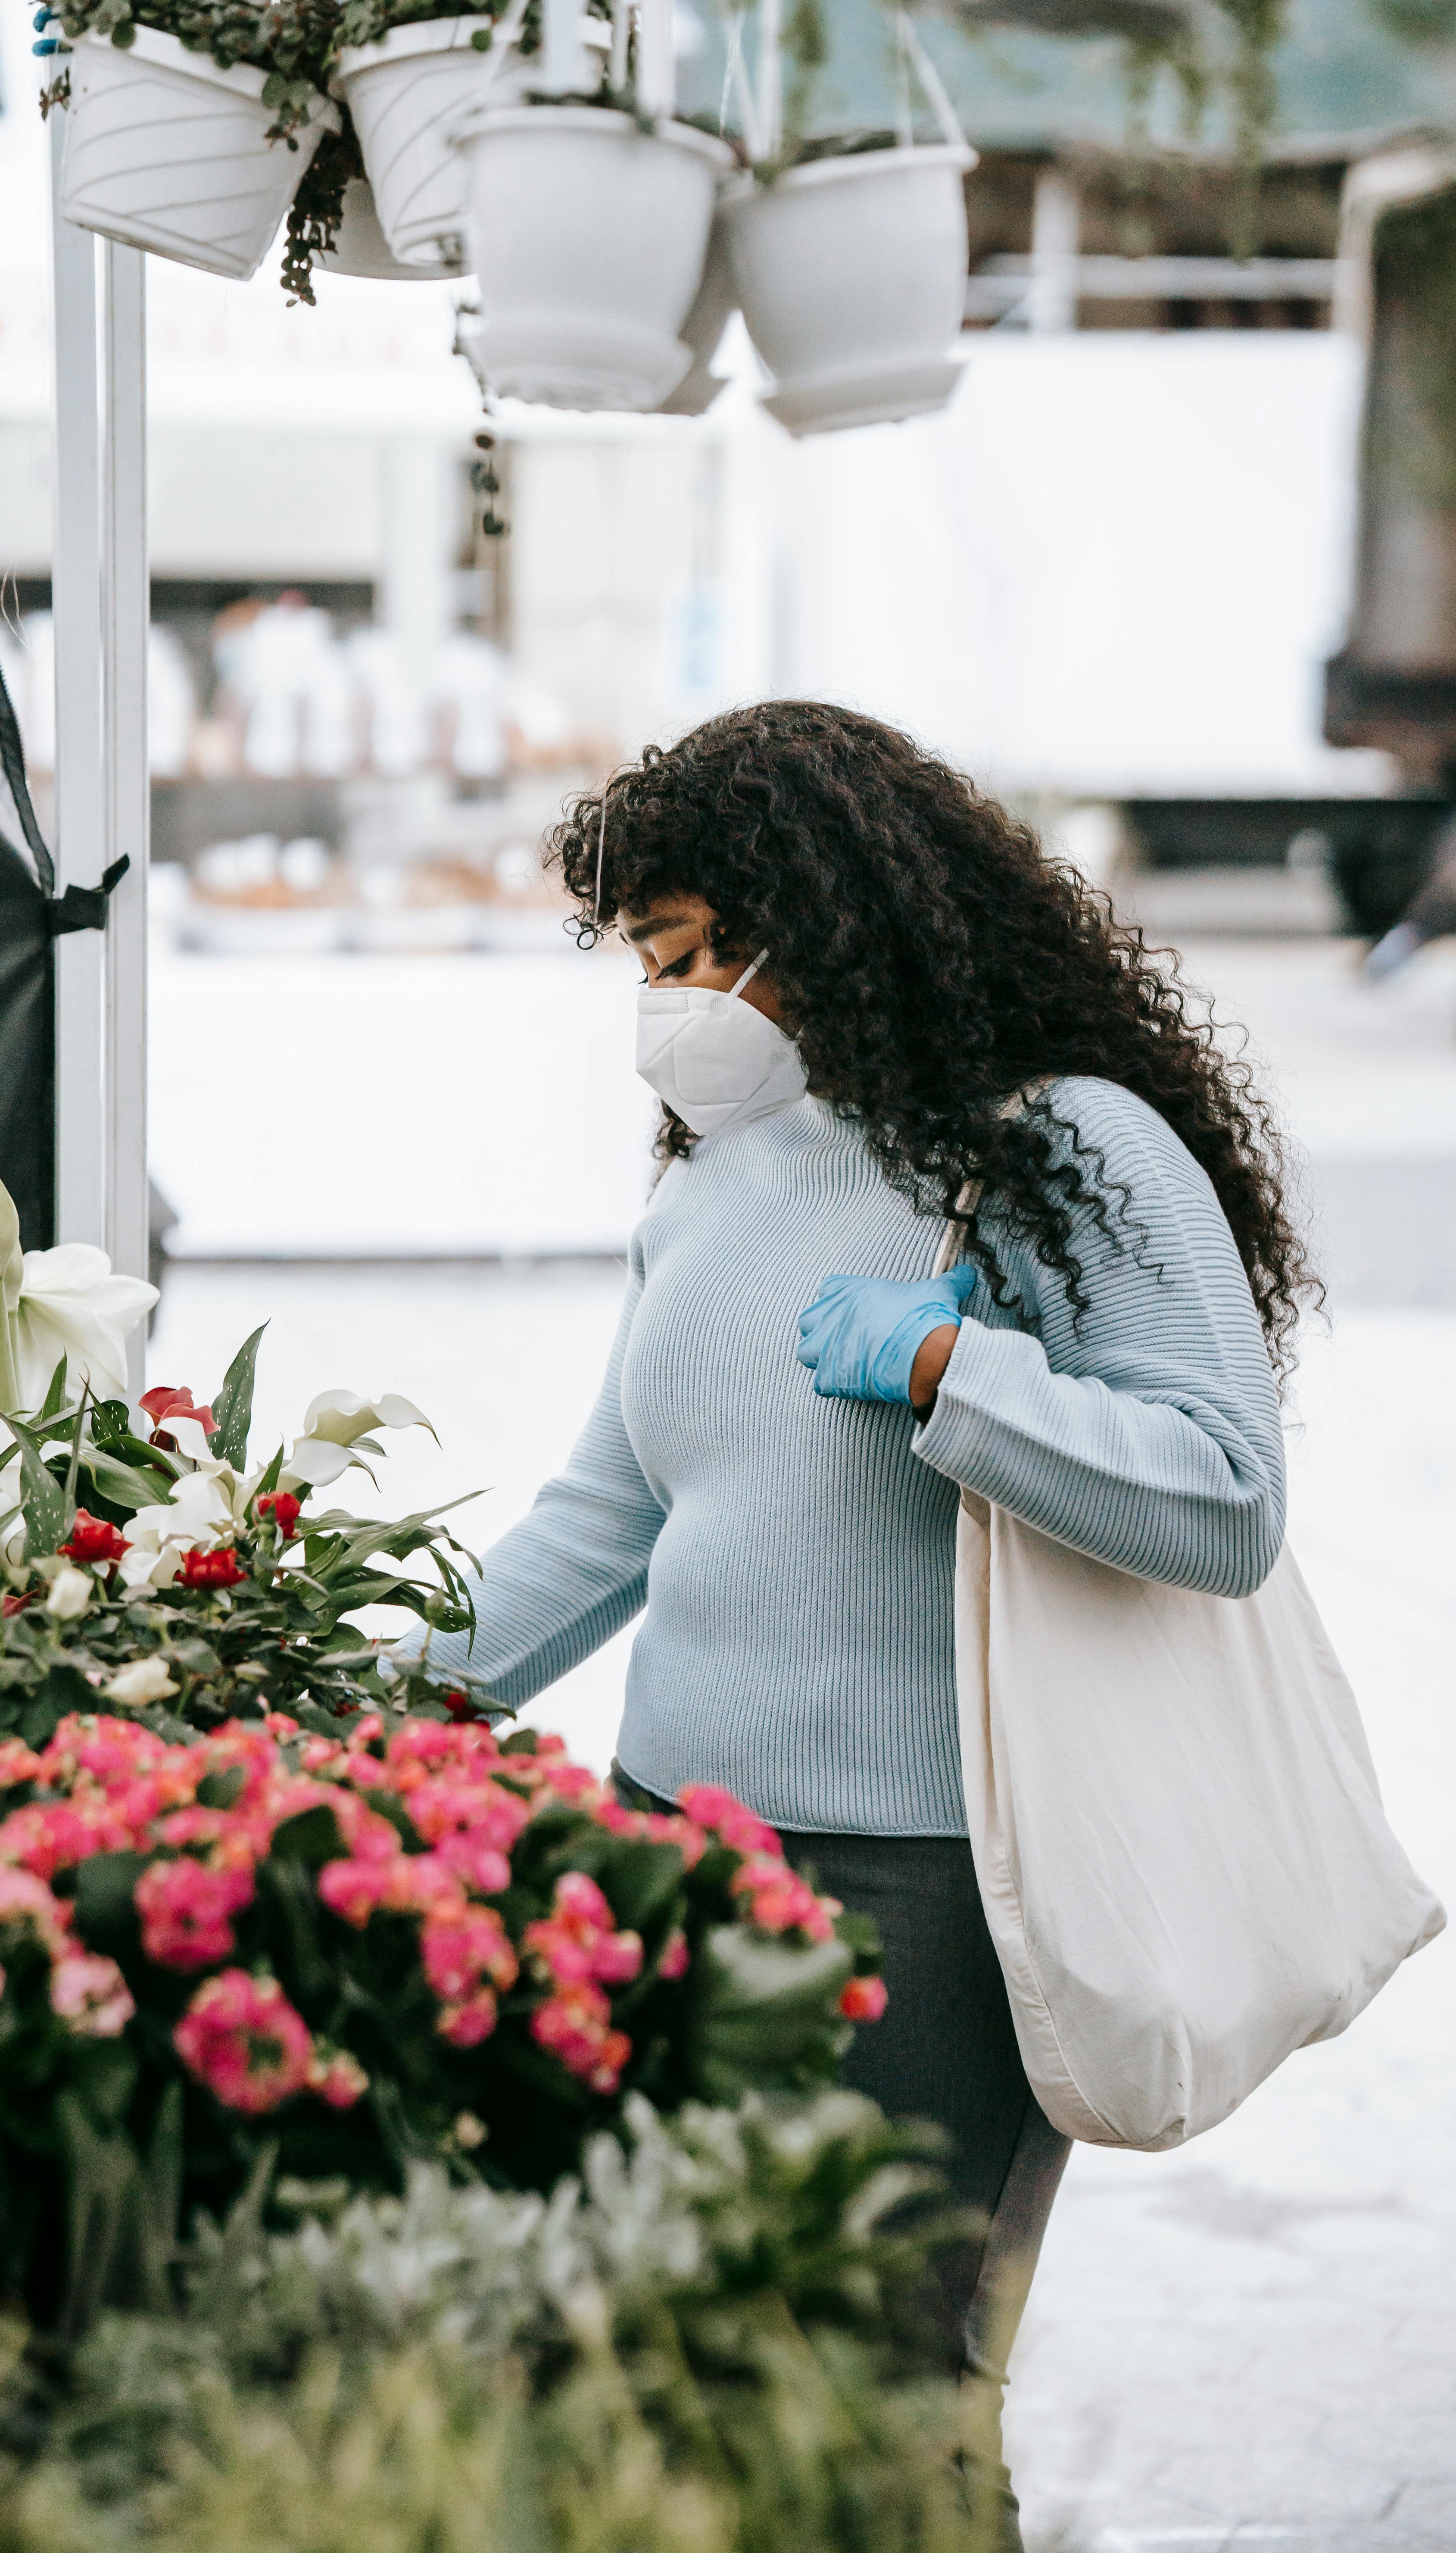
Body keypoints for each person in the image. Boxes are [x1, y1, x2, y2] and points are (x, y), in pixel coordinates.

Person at [414, 701, 1313, 2547]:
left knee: (886, 2412)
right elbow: (615, 1509)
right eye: (643, 963)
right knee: (683, 2379)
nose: (665, 1008)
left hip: (927, 1897)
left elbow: (1222, 1496)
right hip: (672, 1857)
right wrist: (353, 1691)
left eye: (682, 955)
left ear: (814, 917)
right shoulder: (715, 1178)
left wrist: (948, 1367)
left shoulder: (1061, 1141)